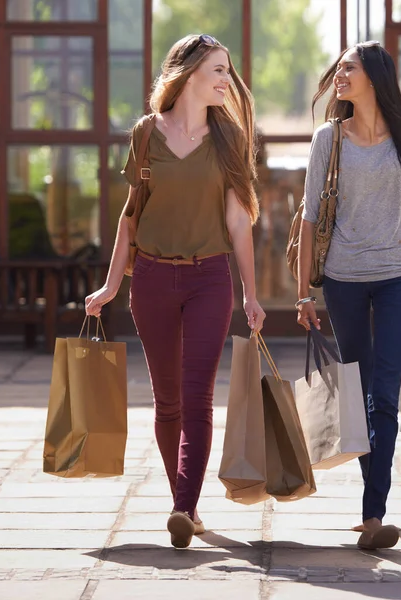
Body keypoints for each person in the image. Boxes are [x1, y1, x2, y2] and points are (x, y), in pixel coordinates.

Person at [85, 34, 266, 549]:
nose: (226, 80)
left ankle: (184, 508)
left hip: (210, 278)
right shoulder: (146, 134)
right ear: (188, 74)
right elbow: (130, 216)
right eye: (218, 70)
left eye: (228, 71)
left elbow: (238, 220)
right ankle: (182, 501)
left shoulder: (228, 138)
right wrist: (110, 283)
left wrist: (251, 295)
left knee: (198, 396)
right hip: (152, 280)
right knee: (167, 402)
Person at [296, 41, 401, 550]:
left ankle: (373, 513)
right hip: (343, 279)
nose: (339, 74)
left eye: (349, 68)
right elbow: (309, 219)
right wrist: (303, 294)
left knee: (385, 394)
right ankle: (372, 506)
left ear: (374, 76)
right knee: (359, 386)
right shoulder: (329, 139)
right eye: (339, 67)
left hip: (395, 276)